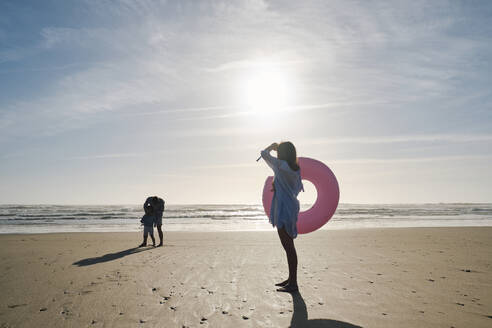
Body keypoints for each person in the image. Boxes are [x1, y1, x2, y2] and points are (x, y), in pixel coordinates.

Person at [261, 141, 303, 293]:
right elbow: (297, 188)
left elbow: (263, 154)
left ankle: (293, 283)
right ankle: (291, 279)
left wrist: (271, 147)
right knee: (289, 246)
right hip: (291, 206)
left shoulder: (280, 165)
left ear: (282, 153)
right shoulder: (295, 168)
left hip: (283, 208)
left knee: (288, 247)